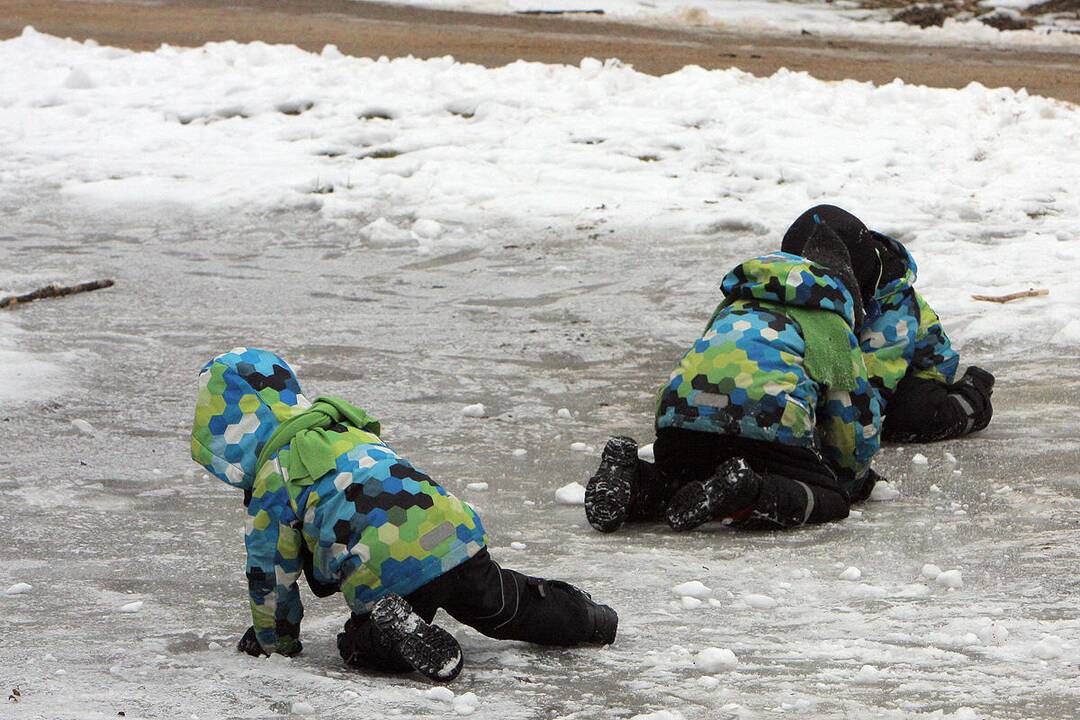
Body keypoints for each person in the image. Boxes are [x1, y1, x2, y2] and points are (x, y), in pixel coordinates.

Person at [191, 348, 616, 682]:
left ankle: (394, 632)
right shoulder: (347, 428)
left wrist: (274, 641)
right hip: (453, 533)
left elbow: (271, 573)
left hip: (386, 569)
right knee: (511, 605)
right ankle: (590, 619)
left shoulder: (272, 479)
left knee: (358, 645)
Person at [585, 217, 883, 534]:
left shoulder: (734, 305)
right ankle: (749, 493)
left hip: (682, 415)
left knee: (682, 480)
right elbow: (851, 426)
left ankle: (632, 481)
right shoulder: (830, 324)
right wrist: (850, 477)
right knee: (833, 499)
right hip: (762, 417)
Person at [780, 205, 994, 442]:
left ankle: (973, 395)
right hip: (843, 360)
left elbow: (873, 387)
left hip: (914, 372)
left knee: (910, 419)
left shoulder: (893, 309)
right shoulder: (800, 290)